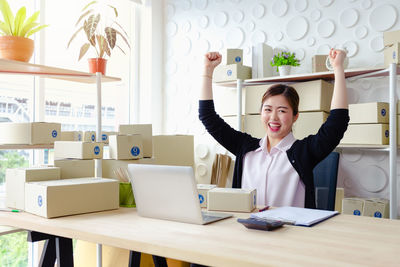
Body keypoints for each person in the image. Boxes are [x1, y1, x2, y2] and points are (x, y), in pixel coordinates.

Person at [199, 49, 349, 209]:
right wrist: (207, 72)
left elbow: (337, 123)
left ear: (295, 116)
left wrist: (338, 69)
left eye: (282, 110)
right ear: (260, 112)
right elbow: (208, 117)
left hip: (290, 231)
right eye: (268, 109)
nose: (274, 117)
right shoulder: (245, 148)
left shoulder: (303, 152)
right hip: (248, 230)